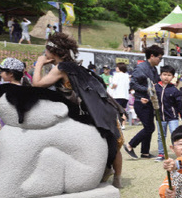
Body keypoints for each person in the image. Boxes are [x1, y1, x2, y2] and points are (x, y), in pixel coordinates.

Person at [32, 33, 123, 187]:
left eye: (45, 51)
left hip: (85, 114)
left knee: (108, 143)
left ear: (53, 52)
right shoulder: (77, 66)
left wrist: (39, 64)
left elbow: (37, 85)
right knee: (115, 142)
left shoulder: (60, 68)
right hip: (102, 109)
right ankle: (117, 179)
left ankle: (105, 171)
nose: (44, 54)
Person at [124, 45, 164, 159]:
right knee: (149, 128)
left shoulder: (153, 69)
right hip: (141, 102)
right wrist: (147, 90)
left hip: (149, 102)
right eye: (159, 58)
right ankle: (130, 145)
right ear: (152, 56)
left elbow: (156, 83)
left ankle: (145, 152)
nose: (160, 60)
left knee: (149, 126)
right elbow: (133, 84)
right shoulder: (141, 68)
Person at [155, 65, 182, 161]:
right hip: (160, 117)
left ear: (173, 77)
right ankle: (161, 153)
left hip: (173, 117)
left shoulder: (174, 90)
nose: (166, 77)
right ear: (160, 75)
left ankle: (179, 153)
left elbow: (180, 105)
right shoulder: (156, 88)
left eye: (169, 75)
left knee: (175, 134)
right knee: (161, 136)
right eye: (164, 74)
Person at [109, 63, 130, 128]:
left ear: (119, 68)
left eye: (117, 67)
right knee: (123, 111)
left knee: (116, 110)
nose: (116, 68)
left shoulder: (116, 75)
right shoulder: (127, 75)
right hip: (125, 96)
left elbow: (115, 85)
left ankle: (116, 125)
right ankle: (123, 125)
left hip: (117, 95)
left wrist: (111, 87)